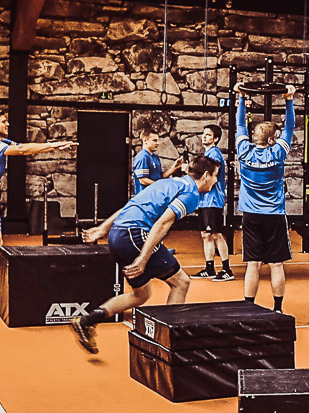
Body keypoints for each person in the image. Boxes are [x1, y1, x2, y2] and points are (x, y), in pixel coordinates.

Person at [69, 156, 220, 354]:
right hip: (135, 234)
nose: (217, 181)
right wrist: (143, 258)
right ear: (206, 175)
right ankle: (167, 343)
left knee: (142, 294)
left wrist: (103, 229)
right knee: (181, 282)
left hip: (119, 234)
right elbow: (163, 223)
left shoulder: (168, 182)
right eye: (216, 176)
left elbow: (131, 204)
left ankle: (87, 320)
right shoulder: (191, 193)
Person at [0, 108, 77, 303]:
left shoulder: (2, 142)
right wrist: (55, 145)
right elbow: (22, 151)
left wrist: (53, 146)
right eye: (3, 121)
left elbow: (24, 146)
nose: (7, 124)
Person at [236, 85, 295, 313]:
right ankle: (277, 308)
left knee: (253, 263)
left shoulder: (244, 150)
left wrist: (241, 98)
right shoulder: (278, 153)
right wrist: (288, 100)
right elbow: (290, 126)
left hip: (251, 216)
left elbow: (240, 124)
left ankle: (248, 307)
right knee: (276, 264)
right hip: (274, 215)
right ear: (271, 140)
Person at [192, 124, 234, 282]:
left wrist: (190, 171)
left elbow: (210, 174)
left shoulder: (214, 154)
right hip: (203, 201)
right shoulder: (207, 153)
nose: (204, 137)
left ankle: (227, 269)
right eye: (204, 134)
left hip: (213, 200)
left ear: (215, 139)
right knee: (205, 235)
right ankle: (209, 268)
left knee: (216, 234)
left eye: (208, 135)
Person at [131, 131, 179, 195]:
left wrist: (174, 168)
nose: (158, 143)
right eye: (155, 140)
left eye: (158, 140)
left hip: (155, 196)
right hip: (145, 197)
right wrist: (160, 186)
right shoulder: (142, 157)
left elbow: (160, 176)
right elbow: (143, 180)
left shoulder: (155, 157)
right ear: (145, 141)